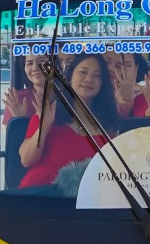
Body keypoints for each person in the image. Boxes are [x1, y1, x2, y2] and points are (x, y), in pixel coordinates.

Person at [15, 54, 120, 189]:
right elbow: (26, 160)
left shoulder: (109, 123)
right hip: (41, 197)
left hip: (88, 200)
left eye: (97, 75)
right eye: (83, 72)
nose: (89, 79)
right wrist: (44, 127)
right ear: (69, 76)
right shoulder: (48, 112)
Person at [103, 49, 150, 119]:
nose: (113, 69)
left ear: (136, 68)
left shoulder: (145, 93)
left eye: (127, 65)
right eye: (107, 62)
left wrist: (125, 101)